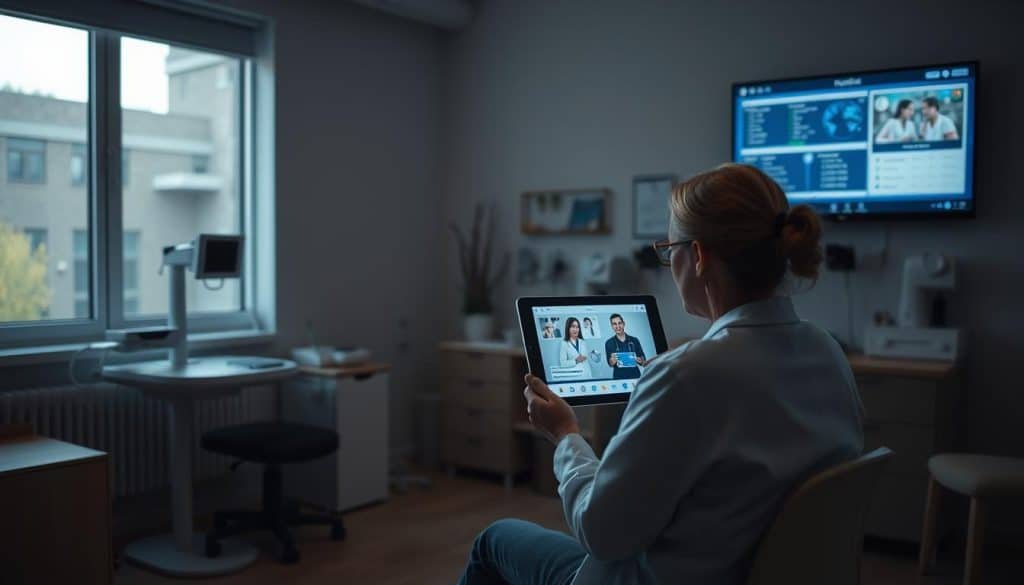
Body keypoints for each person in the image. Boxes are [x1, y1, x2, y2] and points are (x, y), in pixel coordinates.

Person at [458, 163, 864, 585]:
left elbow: (602, 534)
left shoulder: (686, 377)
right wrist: (670, 379)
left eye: (670, 250)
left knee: (494, 540)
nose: (670, 263)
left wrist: (565, 436)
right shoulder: (828, 351)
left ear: (700, 256)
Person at [604, 314, 647, 379]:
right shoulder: (609, 343)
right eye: (614, 324)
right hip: (619, 377)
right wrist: (612, 361)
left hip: (635, 376)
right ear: (612, 326)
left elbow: (643, 360)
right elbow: (610, 364)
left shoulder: (634, 340)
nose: (618, 326)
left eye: (619, 323)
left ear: (623, 324)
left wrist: (641, 360)